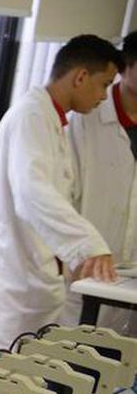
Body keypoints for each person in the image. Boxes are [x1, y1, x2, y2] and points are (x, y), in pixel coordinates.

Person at [0, 34, 122, 358]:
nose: (104, 96)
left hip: (19, 270)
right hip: (6, 275)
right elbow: (33, 191)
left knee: (7, 369)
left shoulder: (48, 117)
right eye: (104, 84)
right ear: (81, 77)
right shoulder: (33, 115)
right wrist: (88, 246)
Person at [66, 31, 137, 331]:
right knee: (59, 363)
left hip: (129, 276)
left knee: (112, 366)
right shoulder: (82, 117)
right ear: (127, 66)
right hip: (81, 269)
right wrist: (72, 248)